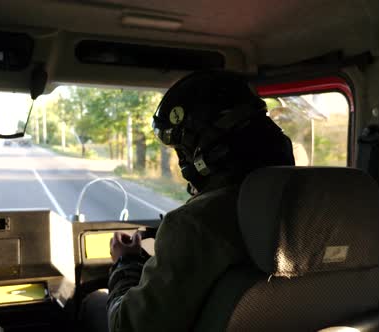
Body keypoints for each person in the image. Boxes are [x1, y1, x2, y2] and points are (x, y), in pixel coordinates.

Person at [85, 70, 295, 332]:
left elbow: (129, 327)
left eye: (181, 151)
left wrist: (124, 264)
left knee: (93, 302)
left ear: (207, 153)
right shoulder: (317, 208)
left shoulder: (197, 224)